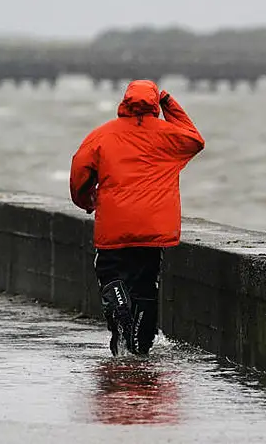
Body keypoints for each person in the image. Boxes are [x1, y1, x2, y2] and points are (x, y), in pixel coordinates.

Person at [69, 79, 204, 356]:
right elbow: (195, 139)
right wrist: (167, 101)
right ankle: (139, 346)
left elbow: (79, 173)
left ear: (125, 101)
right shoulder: (168, 135)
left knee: (110, 275)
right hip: (152, 230)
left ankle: (118, 300)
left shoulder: (102, 135)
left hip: (114, 228)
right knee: (145, 286)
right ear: (155, 103)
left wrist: (86, 201)